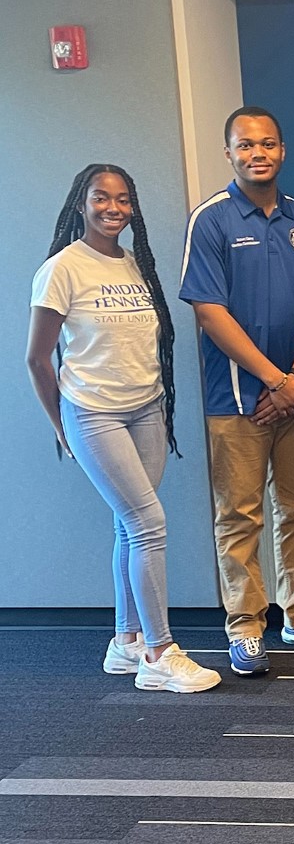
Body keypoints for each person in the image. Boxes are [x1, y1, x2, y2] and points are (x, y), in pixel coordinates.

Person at [26, 164, 220, 693]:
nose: (113, 208)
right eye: (100, 198)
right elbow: (38, 360)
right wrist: (61, 426)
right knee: (148, 523)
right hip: (94, 413)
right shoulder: (63, 268)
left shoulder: (137, 266)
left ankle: (126, 641)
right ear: (80, 203)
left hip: (146, 409)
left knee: (128, 526)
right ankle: (159, 653)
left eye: (123, 199)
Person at [179, 106, 294, 676]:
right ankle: (246, 626)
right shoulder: (211, 219)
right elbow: (209, 312)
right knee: (240, 515)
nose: (259, 153)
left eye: (269, 144)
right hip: (236, 400)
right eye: (246, 145)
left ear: (283, 151)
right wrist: (275, 380)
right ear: (228, 152)